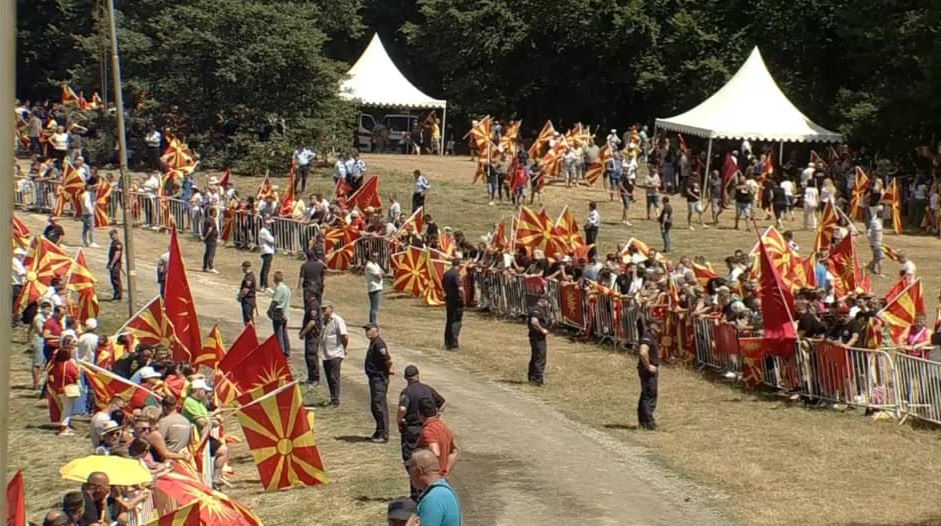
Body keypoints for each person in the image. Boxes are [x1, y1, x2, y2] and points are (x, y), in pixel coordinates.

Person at [397, 365, 446, 498]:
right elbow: (442, 402)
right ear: (418, 375)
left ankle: (416, 492)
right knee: (426, 460)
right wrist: (437, 416)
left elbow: (402, 408)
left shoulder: (406, 392)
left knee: (412, 461)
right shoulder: (427, 389)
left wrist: (399, 421)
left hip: (412, 430)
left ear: (406, 378)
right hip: (427, 427)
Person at [406, 449, 461, 526]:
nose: (409, 475)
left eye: (410, 469)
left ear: (419, 471)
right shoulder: (444, 491)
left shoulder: (432, 499)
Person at [364, 322, 394, 443]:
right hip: (374, 378)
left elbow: (388, 360)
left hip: (379, 379)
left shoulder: (379, 344)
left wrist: (389, 370)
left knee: (379, 405)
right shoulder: (373, 342)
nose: (367, 332)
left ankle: (384, 434)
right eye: (366, 330)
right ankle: (379, 431)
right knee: (375, 406)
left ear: (376, 330)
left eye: (369, 330)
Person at [415, 399, 458, 479]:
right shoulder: (443, 427)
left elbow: (435, 452)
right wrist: (445, 472)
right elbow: (454, 451)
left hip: (429, 479)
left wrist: (430, 473)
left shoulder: (428, 431)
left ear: (420, 414)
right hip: (441, 477)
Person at [319, 301, 348, 407]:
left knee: (334, 376)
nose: (323, 311)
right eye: (322, 309)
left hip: (336, 353)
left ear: (330, 309)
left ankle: (336, 400)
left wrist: (344, 348)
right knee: (328, 377)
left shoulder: (337, 320)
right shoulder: (323, 320)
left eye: (325, 309)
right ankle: (332, 398)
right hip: (326, 353)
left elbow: (344, 336)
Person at [637, 317, 662, 431]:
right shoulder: (647, 337)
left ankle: (643, 422)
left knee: (645, 395)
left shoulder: (651, 336)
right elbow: (643, 352)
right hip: (647, 371)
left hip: (647, 370)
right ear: (652, 326)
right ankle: (649, 424)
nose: (660, 328)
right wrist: (649, 367)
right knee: (650, 396)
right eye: (658, 325)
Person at [298, 290, 322, 386]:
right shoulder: (310, 304)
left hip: (313, 335)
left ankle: (315, 378)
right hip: (310, 335)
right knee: (308, 356)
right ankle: (311, 377)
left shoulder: (313, 305)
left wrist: (303, 333)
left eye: (307, 293)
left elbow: (312, 322)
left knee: (312, 356)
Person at [527, 295, 550, 385]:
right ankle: (538, 378)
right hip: (537, 336)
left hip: (536, 336)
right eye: (547, 302)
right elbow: (534, 322)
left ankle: (532, 376)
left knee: (535, 356)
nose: (548, 304)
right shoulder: (536, 309)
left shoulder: (538, 309)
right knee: (540, 357)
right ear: (543, 301)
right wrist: (542, 330)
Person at [442, 258, 464, 351]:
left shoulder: (446, 274)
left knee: (449, 321)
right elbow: (460, 289)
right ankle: (453, 344)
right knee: (456, 321)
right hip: (456, 300)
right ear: (459, 264)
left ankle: (447, 342)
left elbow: (443, 285)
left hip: (449, 299)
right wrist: (463, 298)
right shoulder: (456, 274)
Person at [269, 270, 291, 356]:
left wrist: (269, 311)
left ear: (275, 279)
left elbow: (275, 302)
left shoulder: (279, 289)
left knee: (278, 334)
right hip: (285, 313)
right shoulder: (287, 288)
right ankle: (287, 351)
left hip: (279, 313)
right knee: (284, 333)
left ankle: (280, 352)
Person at [365, 250, 384, 324]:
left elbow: (382, 272)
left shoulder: (376, 264)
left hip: (378, 287)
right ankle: (373, 323)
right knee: (374, 308)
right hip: (374, 288)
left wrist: (380, 273)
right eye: (374, 256)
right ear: (370, 256)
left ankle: (372, 322)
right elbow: (379, 276)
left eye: (376, 256)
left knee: (375, 307)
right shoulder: (369, 265)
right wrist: (380, 274)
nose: (375, 258)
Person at [258, 217, 275, 293]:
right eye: (268, 224)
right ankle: (265, 285)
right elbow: (272, 240)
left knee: (264, 269)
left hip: (266, 251)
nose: (269, 225)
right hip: (267, 251)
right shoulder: (264, 231)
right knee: (266, 270)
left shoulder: (265, 231)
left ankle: (262, 285)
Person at [238, 261, 257, 325]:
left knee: (248, 320)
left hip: (248, 301)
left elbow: (246, 290)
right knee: (248, 319)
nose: (242, 269)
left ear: (245, 267)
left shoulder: (249, 277)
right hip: (248, 300)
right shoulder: (248, 276)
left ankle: (250, 331)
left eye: (243, 267)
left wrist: (239, 296)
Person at [106, 229, 123, 301]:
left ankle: (118, 297)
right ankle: (116, 295)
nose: (111, 236)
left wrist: (112, 264)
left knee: (116, 280)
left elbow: (117, 255)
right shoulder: (113, 243)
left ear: (116, 234)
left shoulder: (118, 244)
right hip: (113, 264)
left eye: (112, 235)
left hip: (116, 265)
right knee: (113, 280)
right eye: (110, 235)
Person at [80, 183, 97, 247]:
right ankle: (92, 242)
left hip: (84, 213)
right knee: (91, 228)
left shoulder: (82, 195)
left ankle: (84, 241)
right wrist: (91, 211)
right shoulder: (87, 195)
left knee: (85, 228)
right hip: (88, 213)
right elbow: (87, 204)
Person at [202, 207, 219, 273]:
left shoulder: (207, 219)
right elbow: (210, 230)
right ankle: (211, 267)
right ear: (214, 212)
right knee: (211, 253)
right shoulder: (211, 220)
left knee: (207, 253)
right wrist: (205, 237)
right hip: (211, 239)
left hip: (209, 239)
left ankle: (205, 267)